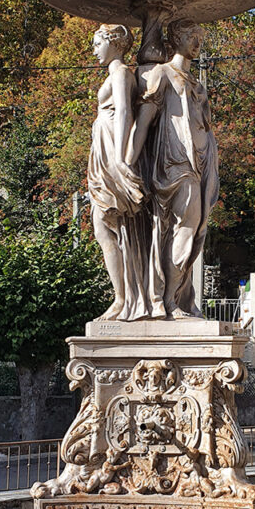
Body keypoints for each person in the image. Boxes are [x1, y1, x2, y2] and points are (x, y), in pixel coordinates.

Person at [128, 19, 219, 318]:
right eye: (191, 35)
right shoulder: (163, 74)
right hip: (174, 163)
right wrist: (126, 162)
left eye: (200, 37)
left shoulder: (197, 84)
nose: (197, 42)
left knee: (194, 230)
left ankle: (179, 298)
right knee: (183, 227)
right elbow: (144, 121)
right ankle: (169, 301)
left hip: (201, 162)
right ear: (175, 38)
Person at [88, 24, 150, 320]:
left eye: (97, 43)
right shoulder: (116, 73)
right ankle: (123, 297)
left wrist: (122, 158)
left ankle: (123, 298)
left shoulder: (121, 73)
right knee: (105, 225)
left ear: (113, 43)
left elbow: (125, 112)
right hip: (104, 152)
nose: (93, 49)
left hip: (112, 151)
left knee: (107, 223)